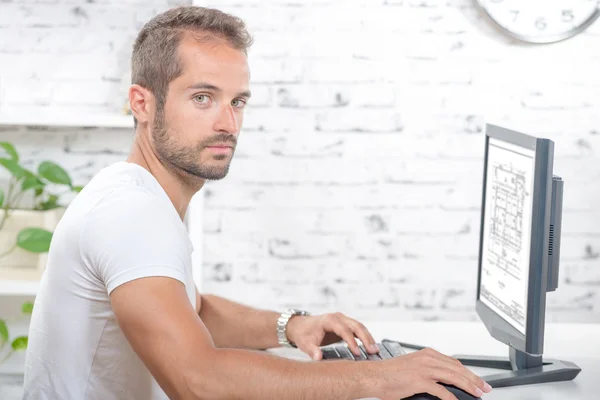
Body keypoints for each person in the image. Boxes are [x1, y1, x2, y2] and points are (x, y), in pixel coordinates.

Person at [23, 6, 492, 400]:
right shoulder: (131, 214)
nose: (228, 122)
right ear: (142, 104)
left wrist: (292, 327)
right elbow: (197, 379)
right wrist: (378, 377)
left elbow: (193, 309)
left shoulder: (137, 195)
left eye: (238, 101)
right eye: (203, 97)